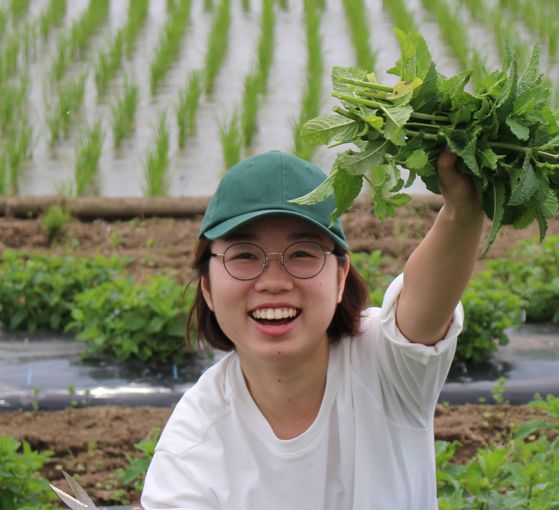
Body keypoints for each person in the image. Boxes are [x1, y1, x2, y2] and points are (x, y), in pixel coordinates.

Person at [137, 148, 483, 509]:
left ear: (340, 277)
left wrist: (463, 209)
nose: (273, 282)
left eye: (302, 253)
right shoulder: (192, 448)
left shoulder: (387, 365)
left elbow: (427, 299)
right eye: (244, 255)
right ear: (207, 287)